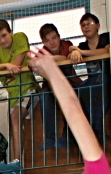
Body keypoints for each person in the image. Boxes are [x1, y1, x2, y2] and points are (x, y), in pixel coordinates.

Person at [0, 19, 40, 174]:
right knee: (13, 123)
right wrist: (5, 66)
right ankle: (15, 166)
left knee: (15, 117)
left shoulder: (20, 37)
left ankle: (16, 163)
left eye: (4, 35)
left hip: (28, 89)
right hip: (13, 94)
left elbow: (17, 63)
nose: (2, 41)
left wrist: (8, 66)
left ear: (10, 32)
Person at [68, 13, 111, 141]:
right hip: (93, 81)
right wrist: (75, 51)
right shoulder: (82, 45)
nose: (86, 27)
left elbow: (106, 51)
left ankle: (97, 131)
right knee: (80, 90)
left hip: (107, 78)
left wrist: (81, 52)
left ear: (98, 25)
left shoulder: (106, 37)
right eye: (83, 25)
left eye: (89, 24)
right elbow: (71, 54)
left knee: (99, 87)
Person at [38, 23, 80, 151]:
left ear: (59, 36)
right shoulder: (41, 52)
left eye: (54, 38)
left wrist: (49, 59)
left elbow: (65, 57)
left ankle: (67, 137)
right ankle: (49, 138)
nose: (52, 42)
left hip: (70, 82)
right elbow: (33, 63)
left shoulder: (67, 44)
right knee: (44, 95)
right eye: (47, 40)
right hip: (50, 86)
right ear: (43, 42)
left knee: (73, 95)